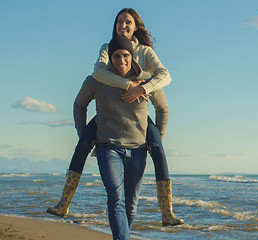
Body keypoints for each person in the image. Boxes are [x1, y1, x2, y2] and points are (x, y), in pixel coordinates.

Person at [46, 8, 183, 226]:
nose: (123, 26)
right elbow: (99, 72)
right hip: (109, 112)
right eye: (119, 22)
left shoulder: (145, 52)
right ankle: (64, 203)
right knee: (83, 143)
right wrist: (128, 85)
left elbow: (165, 75)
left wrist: (144, 89)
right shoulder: (106, 47)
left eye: (128, 22)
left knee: (158, 147)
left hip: (138, 117)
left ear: (136, 26)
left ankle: (167, 212)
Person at [75, 35, 163, 239]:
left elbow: (163, 108)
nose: (121, 60)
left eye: (125, 55)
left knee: (131, 203)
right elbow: (79, 104)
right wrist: (84, 135)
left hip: (139, 149)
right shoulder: (96, 81)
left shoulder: (146, 81)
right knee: (115, 198)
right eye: (116, 56)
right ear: (110, 58)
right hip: (108, 147)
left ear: (132, 57)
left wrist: (157, 139)